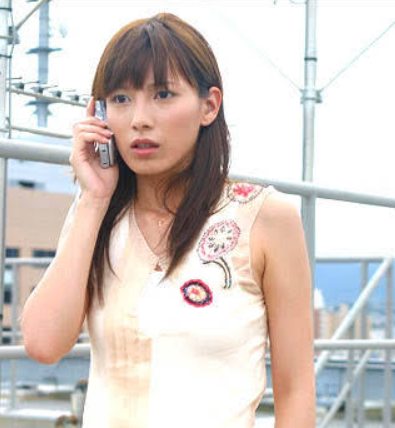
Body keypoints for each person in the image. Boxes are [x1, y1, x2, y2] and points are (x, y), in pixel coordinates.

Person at [20, 12, 316, 428]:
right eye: (120, 99)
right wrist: (93, 199)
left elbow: (296, 389)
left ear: (209, 105)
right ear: (100, 114)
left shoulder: (264, 218)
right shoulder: (97, 214)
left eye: (162, 94)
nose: (139, 118)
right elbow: (43, 343)